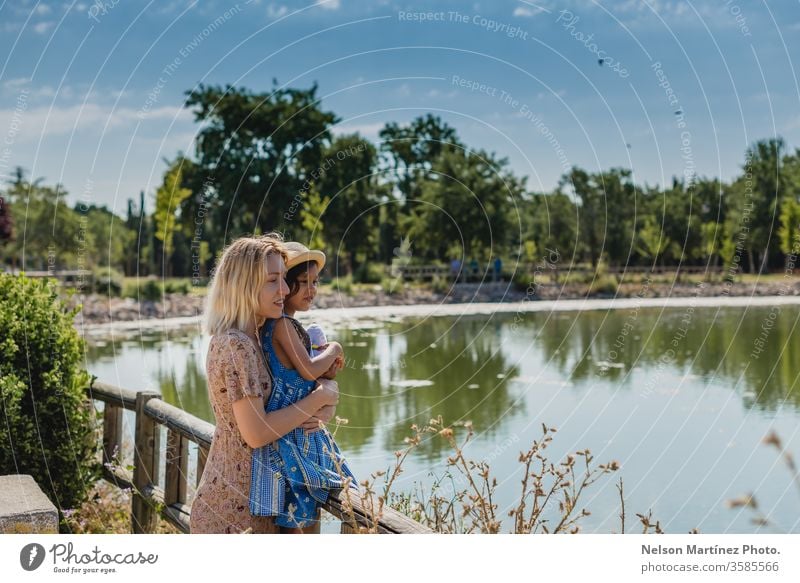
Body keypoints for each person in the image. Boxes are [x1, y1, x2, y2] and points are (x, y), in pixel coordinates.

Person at [190, 235, 340, 534]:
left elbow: (286, 403)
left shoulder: (257, 338)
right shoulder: (236, 345)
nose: (285, 290)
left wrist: (327, 401)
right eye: (273, 280)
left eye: (284, 279)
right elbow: (257, 432)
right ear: (244, 285)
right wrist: (319, 397)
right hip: (233, 511)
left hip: (257, 503)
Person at [250, 242, 356, 533]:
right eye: (303, 283)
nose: (311, 289)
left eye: (315, 283)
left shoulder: (284, 326)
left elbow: (305, 373)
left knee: (304, 513)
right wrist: (334, 348)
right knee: (301, 516)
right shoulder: (283, 325)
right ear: (287, 284)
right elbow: (308, 369)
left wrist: (327, 373)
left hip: (297, 427)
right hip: (292, 435)